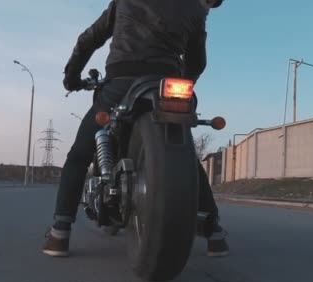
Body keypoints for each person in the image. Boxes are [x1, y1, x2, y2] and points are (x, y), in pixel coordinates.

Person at [43, 0, 228, 258]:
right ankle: (215, 232)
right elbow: (197, 62)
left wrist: (71, 78)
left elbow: (88, 40)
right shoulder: (194, 8)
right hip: (166, 83)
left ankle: (60, 231)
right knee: (185, 152)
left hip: (121, 82)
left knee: (80, 154)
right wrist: (182, 83)